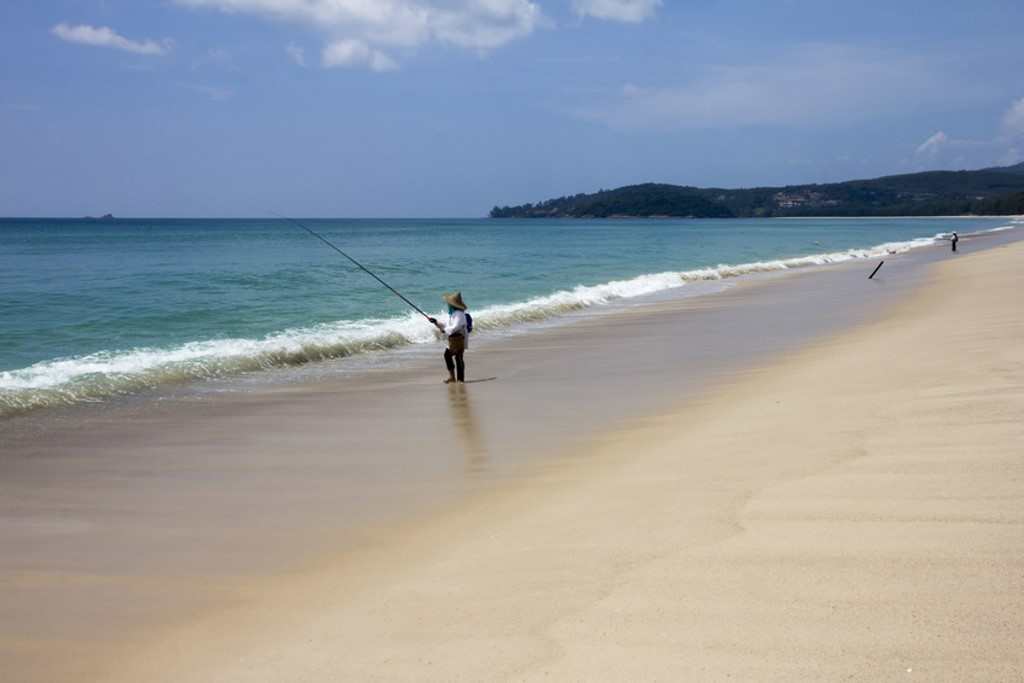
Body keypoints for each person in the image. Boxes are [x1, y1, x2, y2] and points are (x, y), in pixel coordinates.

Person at [429, 292, 469, 384]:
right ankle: (453, 378)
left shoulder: (459, 314)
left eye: (449, 303)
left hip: (459, 339)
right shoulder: (452, 314)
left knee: (458, 357)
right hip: (453, 339)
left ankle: (460, 379)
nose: (448, 304)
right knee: (449, 355)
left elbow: (456, 327)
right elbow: (446, 325)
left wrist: (445, 330)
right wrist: (435, 322)